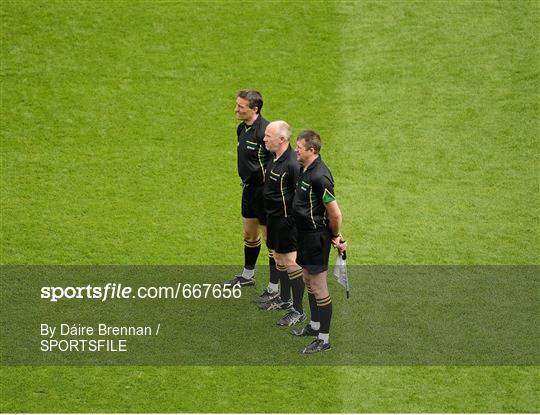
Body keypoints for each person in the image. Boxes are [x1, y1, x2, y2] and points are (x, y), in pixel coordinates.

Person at [291, 130, 347, 354]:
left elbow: (335, 214)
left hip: (316, 239)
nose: (296, 149)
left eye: (300, 147)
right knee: (307, 279)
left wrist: (335, 235)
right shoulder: (306, 169)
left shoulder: (320, 177)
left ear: (311, 150)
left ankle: (324, 339)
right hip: (304, 236)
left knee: (319, 286)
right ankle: (314, 326)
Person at [223, 90, 280, 299]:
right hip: (248, 190)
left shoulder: (266, 132)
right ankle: (248, 275)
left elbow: (280, 161)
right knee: (249, 235)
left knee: (271, 242)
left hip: (264, 194)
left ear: (254, 109)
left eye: (241, 106)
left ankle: (275, 287)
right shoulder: (241, 129)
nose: (236, 109)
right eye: (237, 104)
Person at [260, 121, 306, 326]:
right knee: (278, 258)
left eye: (268, 136)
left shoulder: (293, 164)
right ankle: (284, 298)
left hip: (288, 222)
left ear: (282, 139)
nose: (264, 139)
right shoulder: (275, 158)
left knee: (291, 263)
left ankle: (298, 310)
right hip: (274, 219)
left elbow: (301, 196)